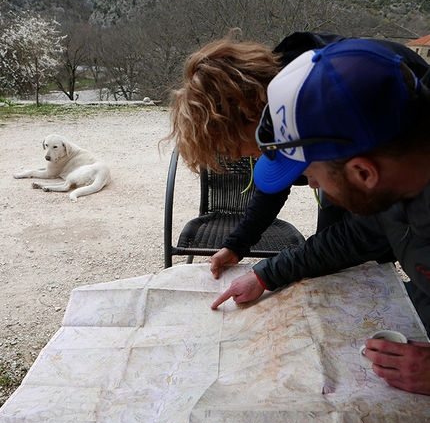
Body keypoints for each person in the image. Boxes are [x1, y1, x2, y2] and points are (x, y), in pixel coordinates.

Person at [211, 38, 430, 395]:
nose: (311, 185)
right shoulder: (397, 185)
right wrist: (265, 275)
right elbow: (349, 239)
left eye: (311, 173)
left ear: (363, 172)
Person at [167, 32, 430, 278]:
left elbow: (368, 229)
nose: (239, 157)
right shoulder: (287, 109)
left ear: (249, 114)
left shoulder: (333, 95)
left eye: (232, 147)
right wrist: (240, 245)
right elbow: (355, 233)